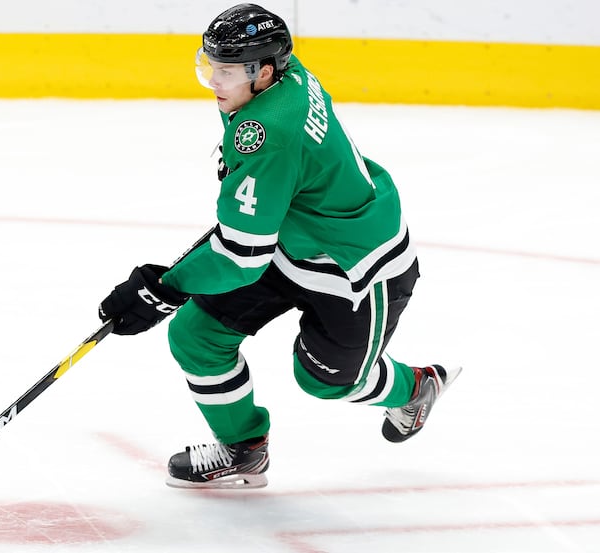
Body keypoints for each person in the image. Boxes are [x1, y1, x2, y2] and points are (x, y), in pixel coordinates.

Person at [98, 3, 460, 489]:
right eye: (210, 66)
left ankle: (414, 389)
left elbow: (240, 257)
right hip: (288, 244)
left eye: (227, 70)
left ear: (264, 72)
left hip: (355, 268)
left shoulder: (267, 132)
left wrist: (164, 288)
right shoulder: (281, 78)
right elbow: (252, 236)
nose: (215, 81)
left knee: (327, 381)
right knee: (197, 336)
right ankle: (244, 449)